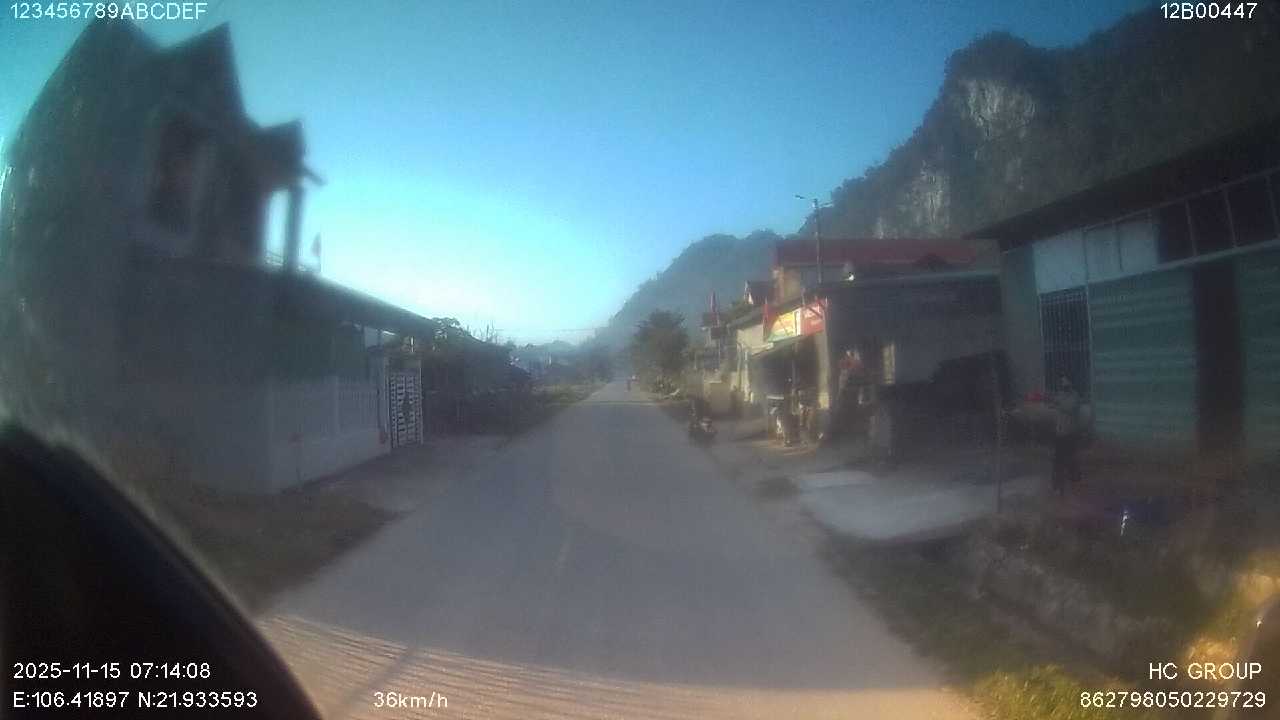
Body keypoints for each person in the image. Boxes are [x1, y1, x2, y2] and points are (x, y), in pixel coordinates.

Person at [1049, 375, 1083, 496]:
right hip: (1060, 433)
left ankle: (1074, 479)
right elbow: (1054, 405)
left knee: (1071, 457)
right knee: (1058, 460)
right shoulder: (1060, 395)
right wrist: (1052, 400)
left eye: (1065, 385)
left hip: (1071, 433)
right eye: (1062, 385)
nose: (1063, 387)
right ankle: (1057, 486)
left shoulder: (1075, 396)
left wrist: (1057, 402)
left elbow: (1069, 408)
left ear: (1070, 385)